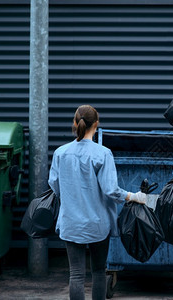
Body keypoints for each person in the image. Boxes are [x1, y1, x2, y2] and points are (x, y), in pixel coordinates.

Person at [48, 105, 147, 300]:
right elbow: (110, 190)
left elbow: (54, 184)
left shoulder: (60, 153)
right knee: (99, 272)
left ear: (75, 123)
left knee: (75, 274)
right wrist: (133, 196)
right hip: (97, 224)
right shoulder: (103, 153)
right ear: (97, 124)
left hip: (71, 222)